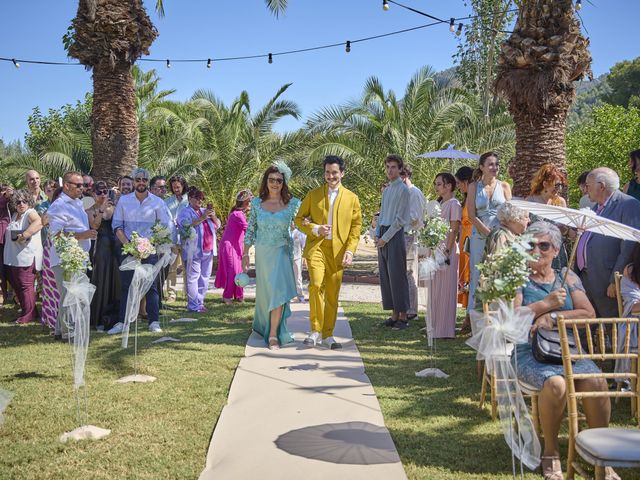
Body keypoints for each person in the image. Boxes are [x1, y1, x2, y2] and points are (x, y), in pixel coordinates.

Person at [513, 222, 618, 480]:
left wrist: (554, 317)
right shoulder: (517, 278)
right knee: (556, 385)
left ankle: (600, 456)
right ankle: (550, 452)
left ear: (557, 249)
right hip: (530, 351)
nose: (536, 250)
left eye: (544, 245)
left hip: (567, 351)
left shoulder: (567, 277)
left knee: (596, 381)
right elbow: (512, 318)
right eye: (530, 244)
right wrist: (543, 304)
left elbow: (588, 312)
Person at [295, 155, 362, 348]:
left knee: (332, 293)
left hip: (339, 252)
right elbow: (299, 219)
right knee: (316, 285)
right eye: (327, 172)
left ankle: (328, 335)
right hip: (317, 247)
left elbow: (355, 228)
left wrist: (350, 251)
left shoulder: (352, 198)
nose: (330, 176)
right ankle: (315, 330)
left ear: (342, 173)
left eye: (334, 172)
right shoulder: (313, 195)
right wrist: (315, 228)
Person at [243, 163, 300, 350]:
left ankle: (274, 334)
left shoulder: (294, 204)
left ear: (284, 183)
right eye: (271, 179)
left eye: (279, 180)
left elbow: (303, 225)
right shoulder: (257, 204)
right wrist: (245, 253)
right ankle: (263, 325)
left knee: (278, 292)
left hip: (282, 253)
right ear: (266, 181)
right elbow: (251, 230)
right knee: (266, 294)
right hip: (263, 254)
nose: (275, 183)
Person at [110, 168, 173, 334]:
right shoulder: (124, 201)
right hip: (128, 249)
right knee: (126, 286)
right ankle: (123, 322)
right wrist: (130, 246)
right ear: (134, 181)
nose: (141, 182)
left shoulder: (158, 202)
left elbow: (163, 227)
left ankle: (153, 322)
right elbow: (117, 226)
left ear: (148, 182)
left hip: (150, 250)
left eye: (144, 180)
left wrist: (147, 245)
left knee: (151, 286)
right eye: (138, 179)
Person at [576, 167, 640, 318]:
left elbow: (629, 245)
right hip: (587, 278)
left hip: (607, 280)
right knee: (589, 330)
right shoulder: (595, 207)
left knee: (613, 330)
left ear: (602, 186)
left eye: (588, 185)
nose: (585, 189)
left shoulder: (628, 205)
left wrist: (614, 280)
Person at [46, 172, 96, 339]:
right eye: (78, 185)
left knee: (70, 293)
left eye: (83, 185)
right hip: (64, 258)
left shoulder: (77, 203)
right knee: (70, 294)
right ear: (66, 185)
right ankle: (69, 332)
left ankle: (60, 331)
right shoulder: (59, 206)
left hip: (78, 256)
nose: (82, 188)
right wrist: (83, 235)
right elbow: (57, 235)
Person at [466, 152, 512, 317]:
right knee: (478, 274)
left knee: (498, 273)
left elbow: (510, 212)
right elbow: (471, 215)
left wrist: (500, 234)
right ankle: (473, 316)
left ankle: (496, 315)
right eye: (491, 164)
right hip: (479, 235)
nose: (495, 167)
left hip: (500, 235)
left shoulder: (505, 186)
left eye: (497, 164)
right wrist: (487, 233)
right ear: (482, 167)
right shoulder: (473, 186)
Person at [473, 202, 529, 310]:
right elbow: (497, 267)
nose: (529, 220)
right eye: (526, 217)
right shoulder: (501, 235)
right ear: (514, 218)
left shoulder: (511, 234)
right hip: (499, 297)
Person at [376, 155, 411, 330]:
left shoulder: (404, 190)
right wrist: (377, 234)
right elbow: (381, 214)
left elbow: (400, 220)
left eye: (393, 167)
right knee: (386, 276)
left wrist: (385, 238)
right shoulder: (387, 189)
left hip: (394, 234)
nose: (390, 170)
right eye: (388, 167)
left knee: (397, 275)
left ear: (400, 169)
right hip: (383, 232)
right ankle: (394, 314)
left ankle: (403, 315)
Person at [427, 173, 461, 339]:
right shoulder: (440, 203)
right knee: (435, 289)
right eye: (436, 184)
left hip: (447, 251)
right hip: (436, 249)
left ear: (449, 186)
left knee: (446, 289)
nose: (436, 187)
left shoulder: (454, 204)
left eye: (439, 184)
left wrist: (447, 250)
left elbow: (454, 229)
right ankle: (434, 326)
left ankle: (446, 329)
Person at [176, 188, 221, 312]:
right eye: (197, 198)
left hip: (208, 249)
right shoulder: (184, 212)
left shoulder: (204, 211)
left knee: (205, 276)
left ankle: (200, 303)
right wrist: (203, 217)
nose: (200, 201)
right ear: (190, 199)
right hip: (193, 250)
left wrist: (213, 216)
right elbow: (185, 227)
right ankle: (193, 305)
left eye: (201, 198)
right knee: (193, 277)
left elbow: (218, 225)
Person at [3, 190, 43, 324]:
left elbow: (39, 222)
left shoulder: (30, 213)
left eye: (24, 201)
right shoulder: (15, 215)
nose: (21, 204)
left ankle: (29, 315)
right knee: (17, 285)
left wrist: (25, 234)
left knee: (25, 286)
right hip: (14, 258)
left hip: (26, 257)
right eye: (18, 201)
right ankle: (30, 311)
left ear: (29, 202)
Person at [86, 181, 120, 329]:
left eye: (105, 192)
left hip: (115, 248)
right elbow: (95, 225)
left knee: (115, 281)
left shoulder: (115, 208)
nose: (102, 195)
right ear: (93, 194)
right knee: (101, 280)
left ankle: (114, 317)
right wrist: (101, 209)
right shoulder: (89, 210)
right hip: (100, 248)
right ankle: (99, 317)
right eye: (99, 192)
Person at [215, 190, 251, 304]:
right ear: (245, 202)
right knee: (233, 271)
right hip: (229, 246)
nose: (250, 204)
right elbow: (248, 229)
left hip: (236, 246)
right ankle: (227, 296)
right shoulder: (237, 214)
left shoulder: (240, 214)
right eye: (249, 201)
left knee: (239, 270)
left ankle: (239, 295)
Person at [401, 164, 425, 321]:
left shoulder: (414, 193)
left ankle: (412, 309)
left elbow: (415, 217)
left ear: (404, 176)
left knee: (410, 272)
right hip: (401, 234)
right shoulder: (404, 193)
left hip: (409, 235)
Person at [38, 185, 63, 330]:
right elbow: (43, 222)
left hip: (67, 249)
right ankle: (51, 319)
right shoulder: (52, 209)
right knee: (51, 287)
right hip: (50, 250)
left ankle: (61, 321)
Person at [165, 175, 189, 303]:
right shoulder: (167, 201)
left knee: (187, 267)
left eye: (178, 187)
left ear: (183, 186)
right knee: (172, 268)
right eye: (174, 187)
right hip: (172, 238)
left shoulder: (189, 200)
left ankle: (188, 293)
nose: (176, 189)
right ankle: (171, 294)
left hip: (186, 238)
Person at [455, 166, 474, 331]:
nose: (458, 186)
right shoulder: (466, 198)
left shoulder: (474, 197)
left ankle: (469, 319)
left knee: (469, 276)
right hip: (462, 240)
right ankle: (467, 317)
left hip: (470, 240)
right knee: (464, 277)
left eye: (459, 183)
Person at [0, 184, 14, 306]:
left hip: (7, 239)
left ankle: (11, 295)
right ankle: (4, 295)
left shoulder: (12, 200)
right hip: (2, 240)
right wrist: (5, 196)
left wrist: (11, 196)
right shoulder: (3, 199)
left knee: (8, 269)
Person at [290, 223, 306, 303]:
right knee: (289, 278)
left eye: (292, 222)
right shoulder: (286, 233)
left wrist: (304, 259)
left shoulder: (299, 234)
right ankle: (291, 296)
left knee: (298, 277)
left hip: (297, 258)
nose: (291, 224)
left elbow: (304, 246)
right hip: (287, 258)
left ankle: (301, 296)